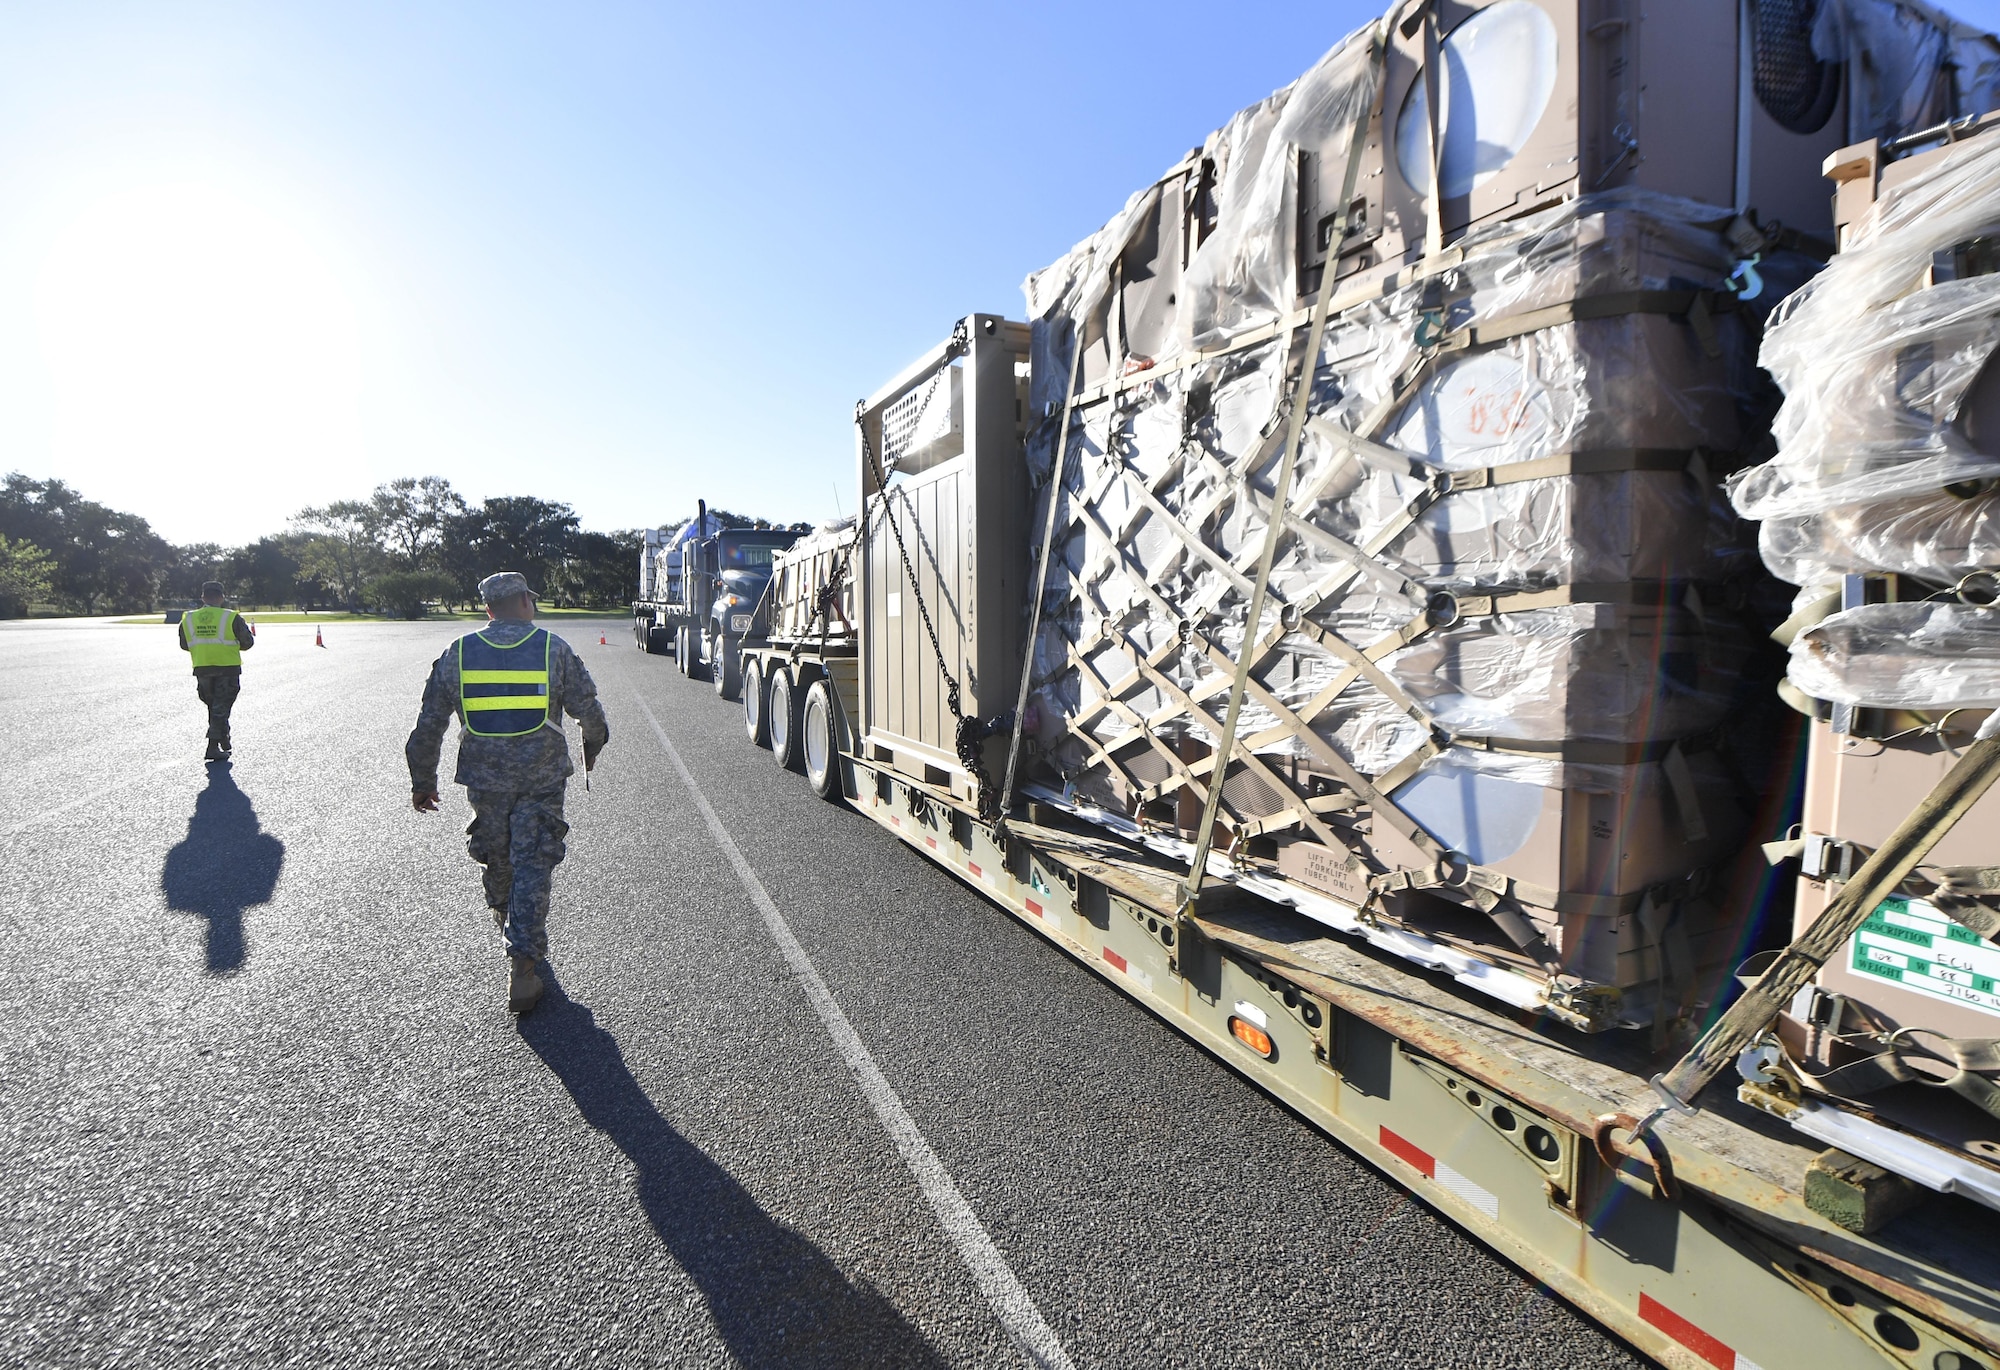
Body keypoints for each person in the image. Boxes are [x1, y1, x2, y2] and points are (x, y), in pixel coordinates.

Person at [406, 571, 609, 1014]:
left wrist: (424, 781)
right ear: (523, 601)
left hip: (485, 780)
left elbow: (429, 725)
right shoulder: (553, 649)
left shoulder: (457, 654)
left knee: (497, 855)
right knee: (533, 862)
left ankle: (504, 913)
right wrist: (595, 742)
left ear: (488, 609)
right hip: (541, 779)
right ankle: (523, 966)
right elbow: (588, 710)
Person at [179, 581, 256, 763]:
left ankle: (223, 736)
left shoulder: (189, 618)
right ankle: (213, 746)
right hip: (227, 669)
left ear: (203, 597)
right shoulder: (231, 617)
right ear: (222, 597)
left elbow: (184, 644)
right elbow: (247, 642)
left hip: (202, 668)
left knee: (215, 707)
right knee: (220, 708)